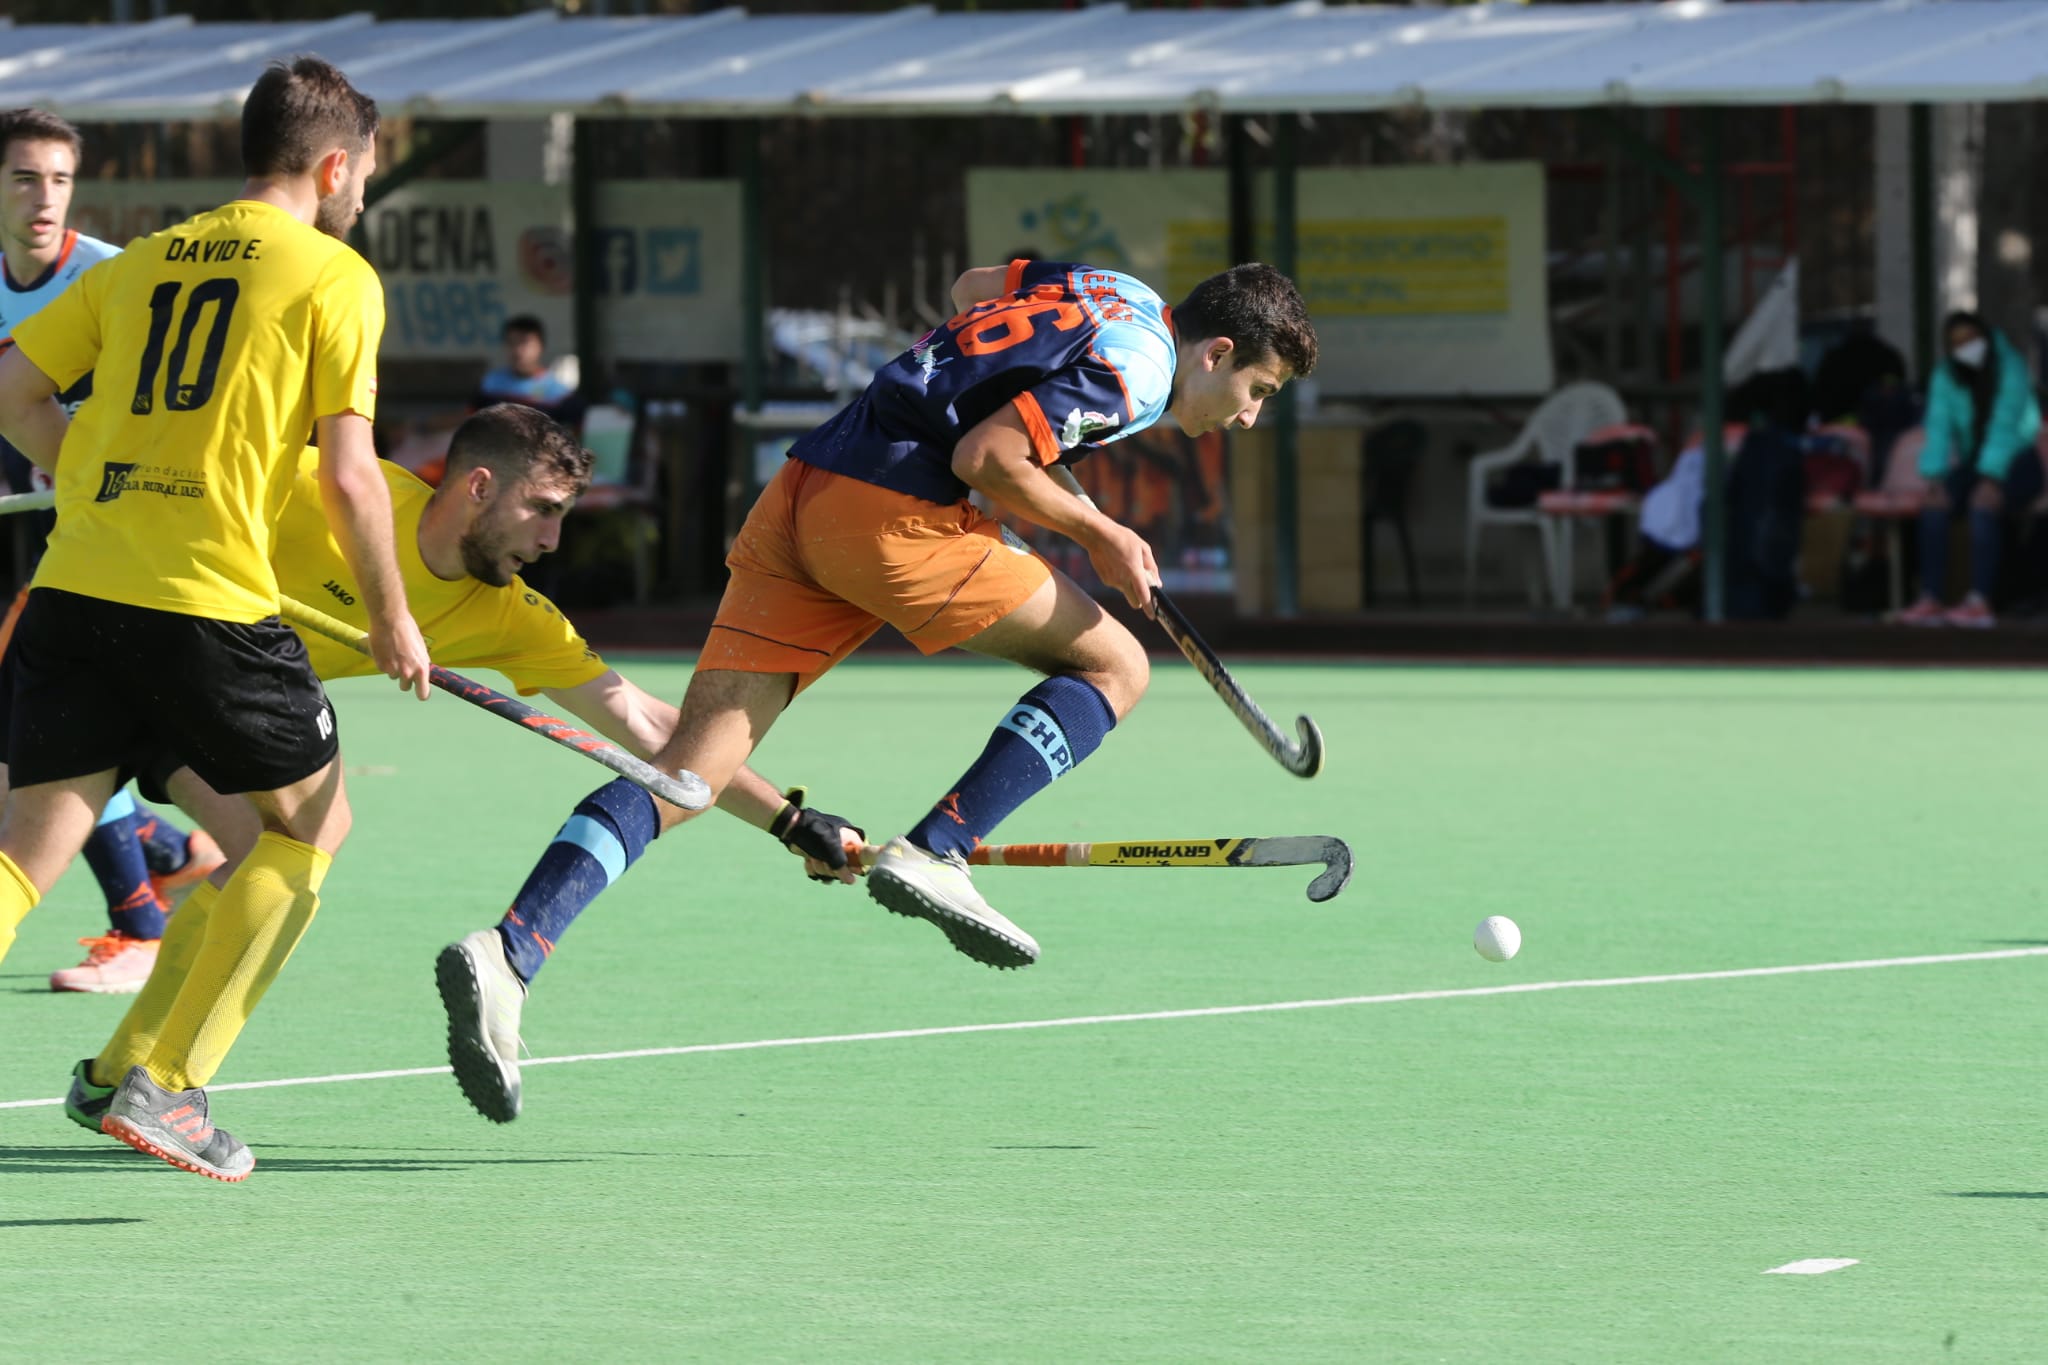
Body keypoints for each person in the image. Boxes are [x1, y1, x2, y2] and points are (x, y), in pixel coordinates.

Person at [435, 258, 1316, 1123]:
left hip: (808, 488)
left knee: (686, 776)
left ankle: (510, 952)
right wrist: (1099, 529)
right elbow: (987, 453)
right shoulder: (1141, 370)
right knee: (1115, 667)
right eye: (1258, 390)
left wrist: (1031, 439)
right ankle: (940, 847)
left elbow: (973, 291)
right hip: (899, 514)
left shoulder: (1111, 290)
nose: (1248, 416)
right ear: (1215, 351)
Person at [59, 402, 853, 1130]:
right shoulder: (323, 488)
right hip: (116, 644)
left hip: (203, 711)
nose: (551, 541)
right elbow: (179, 481)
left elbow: (650, 728)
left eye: (562, 517)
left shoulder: (505, 612)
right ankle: (158, 1083)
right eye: (542, 512)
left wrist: (787, 818)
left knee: (268, 844)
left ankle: (124, 1073)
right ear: (478, 486)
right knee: (285, 832)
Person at [0, 56, 431, 1182]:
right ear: (335, 164)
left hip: (75, 586)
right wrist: (392, 620)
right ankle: (170, 1085)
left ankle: (120, 1069)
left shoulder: (138, 262)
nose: (360, 195)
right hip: (204, 611)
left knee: (24, 856)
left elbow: (11, 394)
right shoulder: (335, 276)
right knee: (309, 832)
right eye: (364, 175)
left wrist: (87, 485)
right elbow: (350, 477)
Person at [0, 106, 225, 994]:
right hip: (16, 534)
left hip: (96, 542)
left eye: (59, 179)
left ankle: (140, 920)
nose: (44, 197)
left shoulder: (112, 278)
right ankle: (167, 852)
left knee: (44, 734)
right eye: (24, 177)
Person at [1891, 311, 2044, 628]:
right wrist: (1933, 475)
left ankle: (1980, 602)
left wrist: (1991, 477)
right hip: (1975, 461)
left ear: (1984, 337)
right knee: (1934, 503)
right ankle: (1930, 597)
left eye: (1971, 338)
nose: (1965, 346)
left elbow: (2006, 426)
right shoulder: (1945, 376)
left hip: (2019, 460)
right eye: (1957, 342)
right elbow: (1938, 428)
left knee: (1981, 503)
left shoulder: (2010, 367)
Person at [471, 313, 586, 431]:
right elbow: (470, 419)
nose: (518, 350)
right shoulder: (490, 384)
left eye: (525, 343)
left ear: (541, 346)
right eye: (512, 342)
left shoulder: (560, 394)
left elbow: (578, 433)